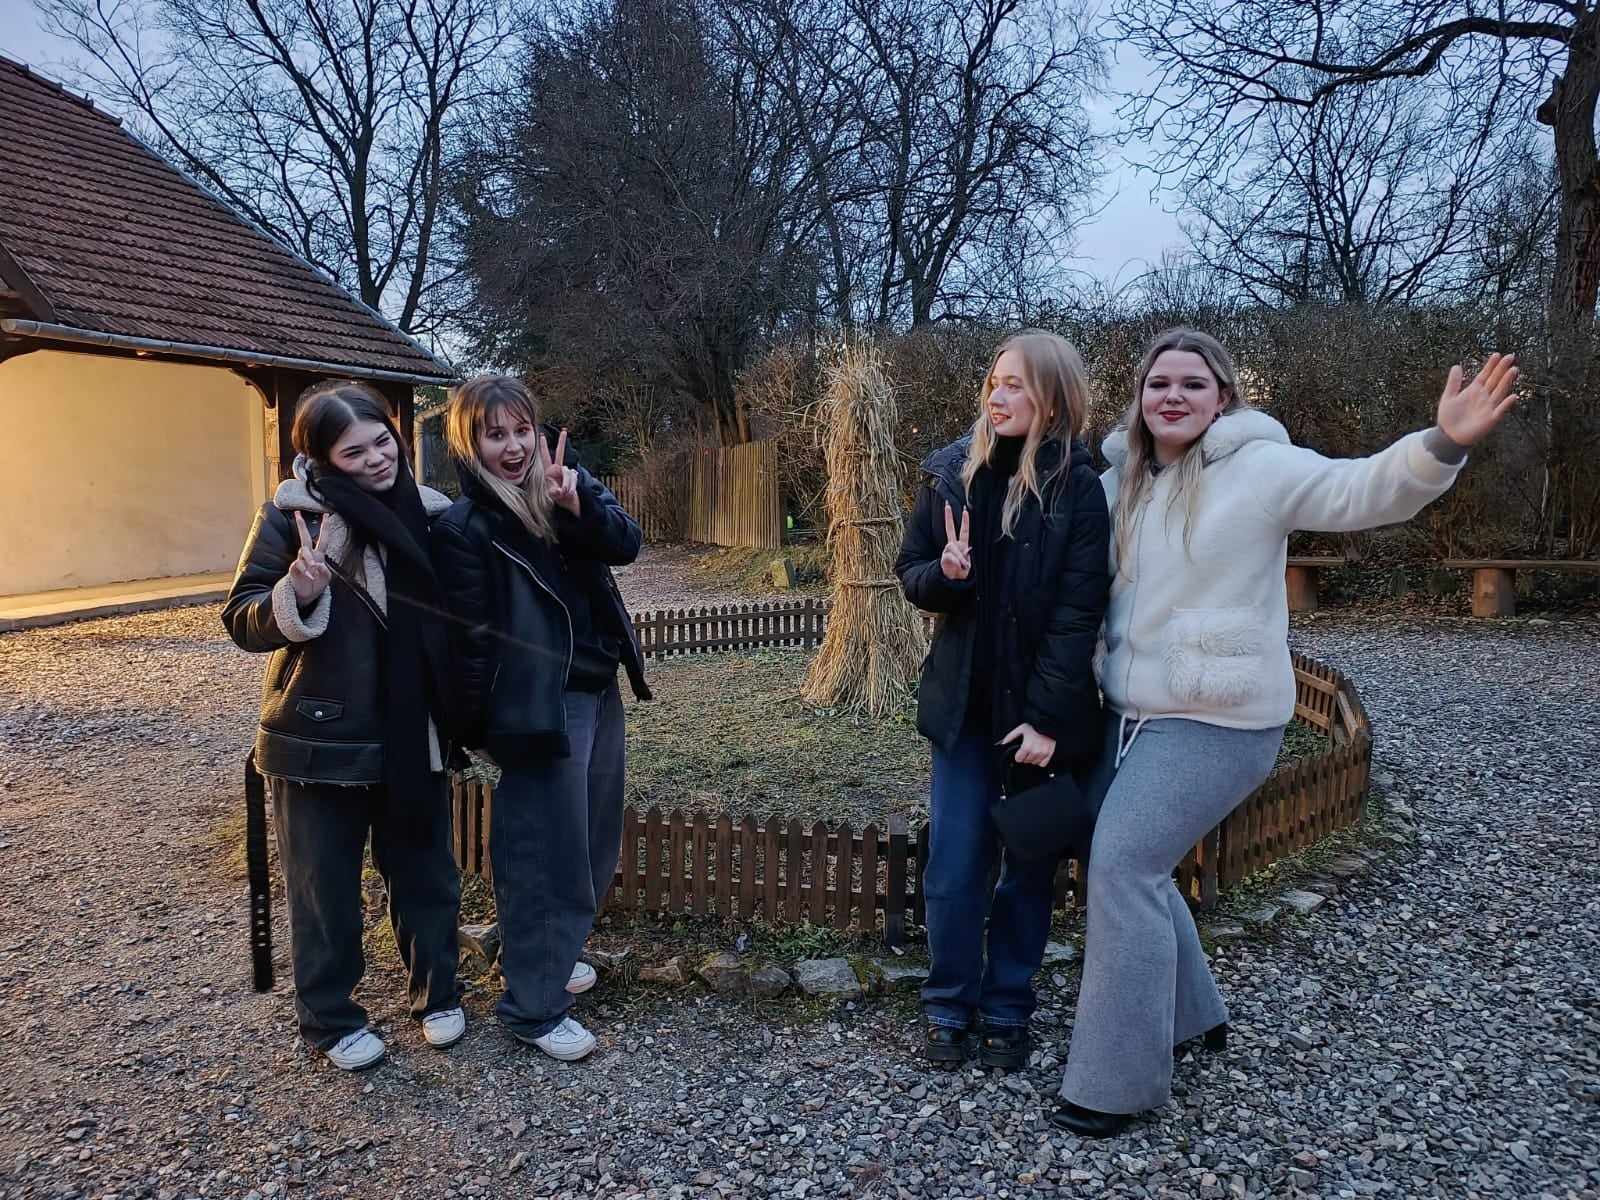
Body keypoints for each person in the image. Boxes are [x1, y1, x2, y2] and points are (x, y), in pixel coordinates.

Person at [1053, 329, 1520, 1137]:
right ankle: (1194, 1016)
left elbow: (1360, 491)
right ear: (1139, 397)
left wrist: (1443, 443)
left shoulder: (1260, 468)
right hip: (1128, 718)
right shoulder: (1115, 483)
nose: (1172, 396)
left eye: (1192, 384)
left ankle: (1113, 1083)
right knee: (1134, 863)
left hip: (1220, 718)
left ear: (1222, 398)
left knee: (1125, 863)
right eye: (1158, 383)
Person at [223, 379, 464, 1071]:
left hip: (413, 731)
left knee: (425, 871)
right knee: (322, 887)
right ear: (322, 458)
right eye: (354, 453)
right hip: (318, 737)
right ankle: (330, 1019)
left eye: (382, 442)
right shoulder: (289, 516)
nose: (378, 459)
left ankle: (437, 995)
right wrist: (296, 592)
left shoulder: (432, 514)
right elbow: (241, 618)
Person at [894, 330, 1111, 1069]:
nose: (999, 395)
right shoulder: (950, 474)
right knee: (954, 868)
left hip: (1037, 722)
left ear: (1054, 398)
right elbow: (912, 572)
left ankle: (1008, 1007)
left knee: (1026, 867)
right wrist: (946, 575)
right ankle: (948, 1004)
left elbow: (1079, 616)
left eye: (1017, 384)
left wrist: (1046, 721)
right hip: (963, 715)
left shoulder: (1079, 488)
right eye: (994, 381)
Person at [432, 375, 650, 1062]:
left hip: (597, 687)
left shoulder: (565, 482)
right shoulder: (465, 529)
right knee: (541, 856)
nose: (514, 446)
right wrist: (476, 729)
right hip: (536, 710)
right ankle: (532, 1007)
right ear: (468, 442)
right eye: (494, 434)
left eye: (521, 429)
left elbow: (627, 543)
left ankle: (551, 956)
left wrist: (576, 504)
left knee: (590, 843)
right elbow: (466, 644)